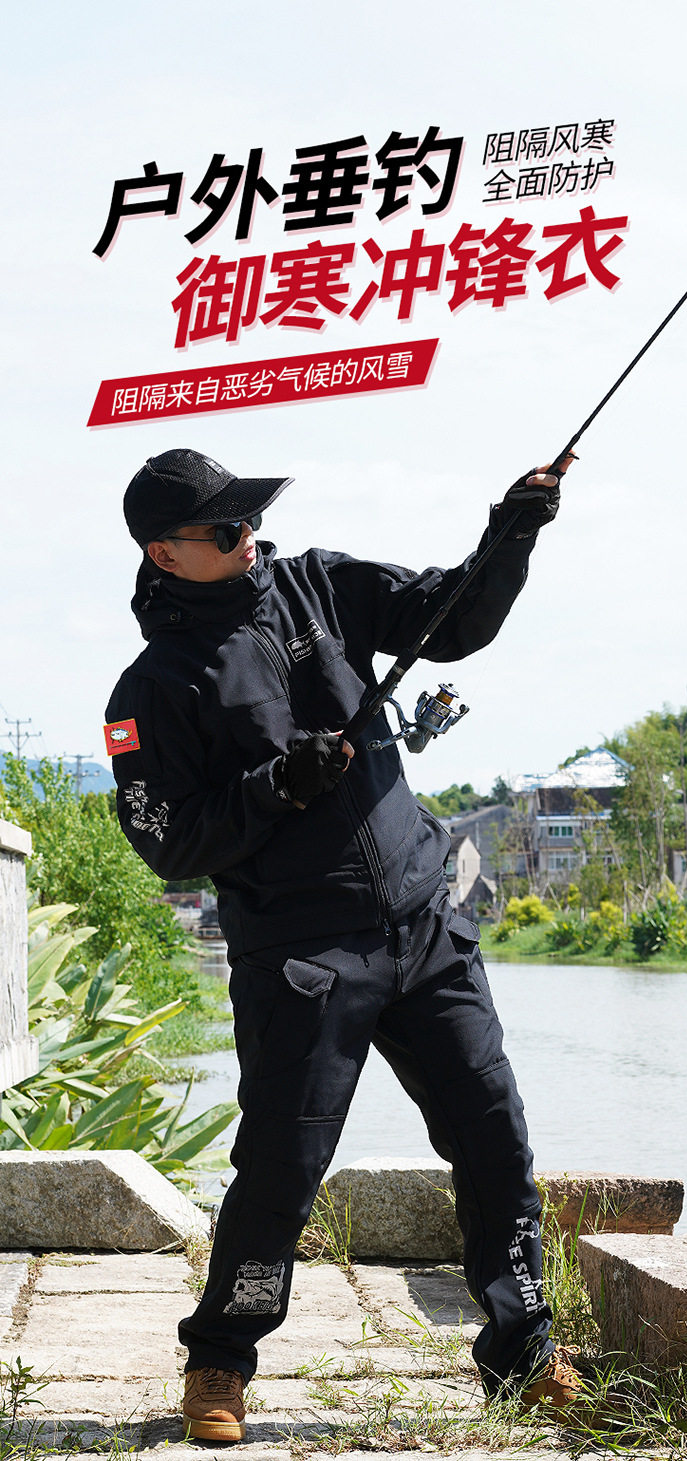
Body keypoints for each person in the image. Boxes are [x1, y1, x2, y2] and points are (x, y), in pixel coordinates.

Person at [105, 447, 580, 1442]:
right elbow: (169, 841)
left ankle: (525, 1349)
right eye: (225, 529)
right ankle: (219, 1359)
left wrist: (511, 533)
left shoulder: (321, 584)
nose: (248, 538)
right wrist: (274, 787)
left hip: (425, 920)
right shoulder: (153, 688)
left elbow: (452, 620)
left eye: (248, 518)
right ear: (166, 553)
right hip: (302, 958)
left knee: (495, 1138)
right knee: (283, 1166)